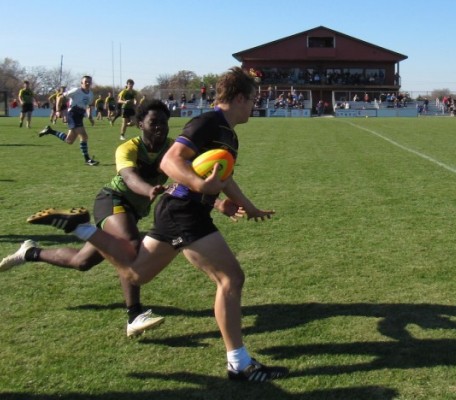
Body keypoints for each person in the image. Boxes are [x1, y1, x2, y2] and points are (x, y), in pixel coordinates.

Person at [27, 67, 288, 382]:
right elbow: (170, 161)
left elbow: (224, 177)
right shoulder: (208, 122)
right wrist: (199, 185)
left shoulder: (226, 131)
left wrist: (249, 206)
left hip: (179, 213)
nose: (255, 105)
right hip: (184, 212)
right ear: (239, 97)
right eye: (253, 99)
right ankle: (239, 363)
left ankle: (81, 228)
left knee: (137, 273)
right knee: (231, 278)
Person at [0, 100, 174, 337]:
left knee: (82, 262)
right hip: (112, 201)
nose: (159, 127)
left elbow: (188, 176)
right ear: (139, 123)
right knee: (130, 247)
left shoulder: (172, 149)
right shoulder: (128, 148)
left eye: (163, 122)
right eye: (153, 122)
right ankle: (134, 315)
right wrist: (149, 190)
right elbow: (129, 176)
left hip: (132, 211)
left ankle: (29, 252)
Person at [38, 75, 99, 166]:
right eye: (85, 81)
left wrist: (90, 117)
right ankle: (87, 159)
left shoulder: (90, 94)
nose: (87, 83)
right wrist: (58, 110)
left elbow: (88, 106)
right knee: (84, 136)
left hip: (80, 115)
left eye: (89, 82)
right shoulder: (76, 91)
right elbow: (60, 97)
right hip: (73, 114)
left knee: (69, 140)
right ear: (81, 83)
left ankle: (50, 131)